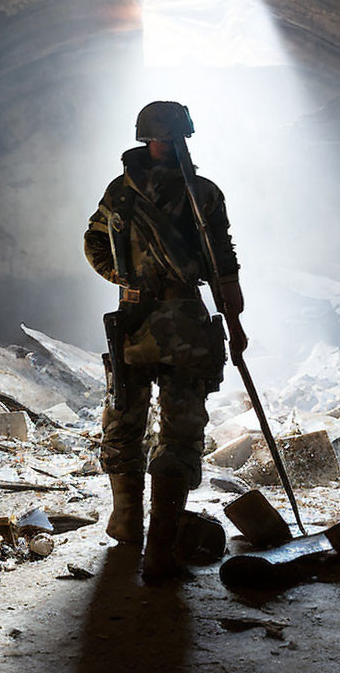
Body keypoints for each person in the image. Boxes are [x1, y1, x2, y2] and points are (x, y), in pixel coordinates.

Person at [83, 101, 246, 581]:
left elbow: (93, 244)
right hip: (179, 326)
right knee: (154, 427)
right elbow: (223, 265)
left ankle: (144, 537)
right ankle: (142, 533)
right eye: (165, 138)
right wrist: (232, 322)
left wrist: (127, 279)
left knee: (142, 425)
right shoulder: (199, 193)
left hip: (137, 321)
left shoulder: (126, 191)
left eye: (170, 139)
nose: (168, 146)